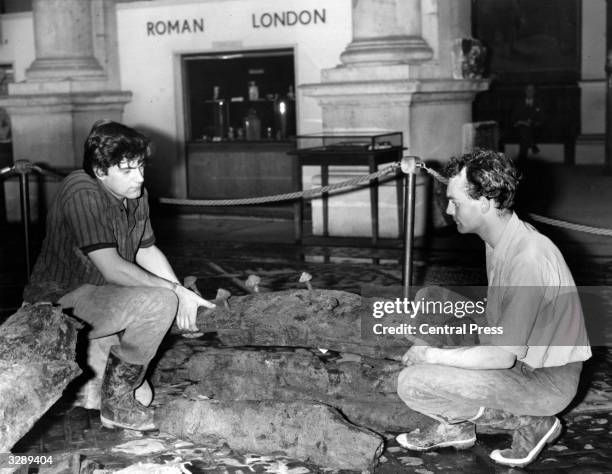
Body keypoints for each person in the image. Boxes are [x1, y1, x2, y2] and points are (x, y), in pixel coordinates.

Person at [395, 150, 591, 468]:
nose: (447, 209)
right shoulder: (500, 236)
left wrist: (432, 355)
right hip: (520, 352)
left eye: (455, 202)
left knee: (413, 382)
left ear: (484, 203)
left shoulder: (529, 257)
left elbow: (502, 357)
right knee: (431, 298)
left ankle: (532, 421)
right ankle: (458, 427)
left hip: (545, 380)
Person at [23, 120, 215, 431]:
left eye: (140, 166)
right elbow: (112, 266)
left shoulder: (135, 192)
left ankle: (105, 382)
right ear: (100, 171)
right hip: (60, 303)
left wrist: (181, 291)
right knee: (160, 302)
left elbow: (146, 250)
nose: (138, 177)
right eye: (127, 170)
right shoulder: (80, 190)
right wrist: (175, 294)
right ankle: (110, 393)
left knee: (144, 396)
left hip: (103, 297)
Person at [513, 83, 544, 162]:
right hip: (520, 127)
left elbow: (541, 117)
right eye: (528, 90)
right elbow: (515, 116)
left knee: (524, 134)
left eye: (531, 90)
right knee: (524, 130)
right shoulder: (519, 103)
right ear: (525, 91)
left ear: (534, 92)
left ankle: (522, 159)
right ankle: (532, 145)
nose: (529, 92)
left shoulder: (539, 103)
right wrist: (522, 122)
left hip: (534, 128)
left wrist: (532, 122)